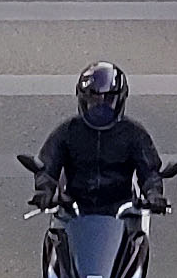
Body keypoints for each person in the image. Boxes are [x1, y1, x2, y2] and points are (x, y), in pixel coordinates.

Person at [33, 62, 166, 216]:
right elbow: (47, 166)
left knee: (138, 240)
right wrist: (45, 190)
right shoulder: (68, 131)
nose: (101, 106)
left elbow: (149, 171)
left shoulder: (133, 133)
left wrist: (154, 194)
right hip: (73, 210)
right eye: (94, 100)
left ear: (120, 99)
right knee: (54, 238)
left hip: (121, 212)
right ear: (83, 99)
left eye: (108, 100)